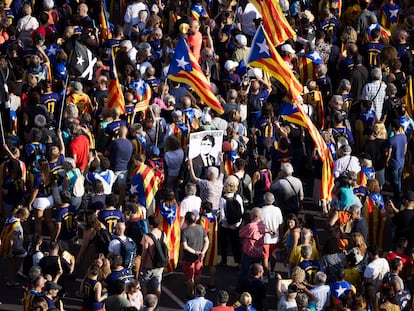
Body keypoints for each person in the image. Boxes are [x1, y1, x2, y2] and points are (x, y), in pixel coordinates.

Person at [181, 212, 209, 298]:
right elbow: (207, 241)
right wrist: (202, 252)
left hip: (189, 258)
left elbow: (185, 246)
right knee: (198, 273)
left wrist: (194, 252)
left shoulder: (185, 232)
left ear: (186, 221)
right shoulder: (201, 228)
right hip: (199, 257)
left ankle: (191, 294)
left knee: (189, 278)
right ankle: (197, 290)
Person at [0, 206, 30, 287]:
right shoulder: (16, 225)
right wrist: (10, 251)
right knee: (23, 258)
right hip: (14, 247)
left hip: (5, 243)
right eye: (25, 217)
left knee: (11, 263)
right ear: (20, 215)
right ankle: (15, 275)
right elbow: (11, 239)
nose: (25, 219)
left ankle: (10, 279)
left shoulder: (11, 218)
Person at [139, 214, 165, 298]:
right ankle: (156, 305)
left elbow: (144, 253)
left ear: (150, 225)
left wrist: (141, 265)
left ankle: (145, 303)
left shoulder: (146, 237)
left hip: (148, 266)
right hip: (160, 264)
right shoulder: (163, 234)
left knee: (143, 285)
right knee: (157, 286)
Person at [260, 192, 283, 281]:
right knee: (273, 255)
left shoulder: (261, 210)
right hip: (275, 237)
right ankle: (272, 271)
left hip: (265, 238)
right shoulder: (278, 210)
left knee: (265, 257)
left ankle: (265, 275)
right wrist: (280, 235)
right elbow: (281, 224)